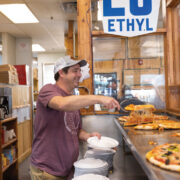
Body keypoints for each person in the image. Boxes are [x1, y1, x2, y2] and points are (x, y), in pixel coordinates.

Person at [30, 56, 120, 180]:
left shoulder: (72, 99)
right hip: (47, 171)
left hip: (67, 169)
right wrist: (99, 98)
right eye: (75, 71)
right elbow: (61, 104)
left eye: (80, 71)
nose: (79, 74)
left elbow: (75, 130)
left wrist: (88, 137)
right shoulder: (48, 90)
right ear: (61, 72)